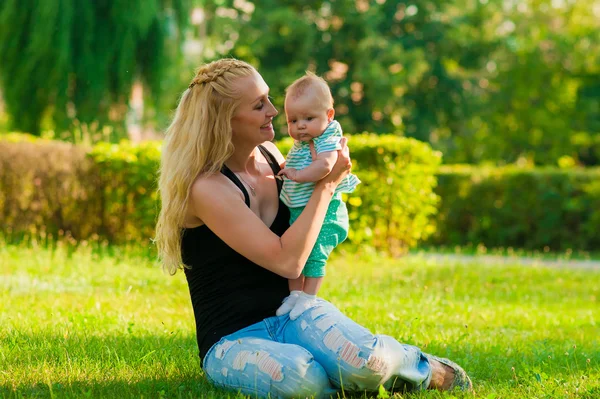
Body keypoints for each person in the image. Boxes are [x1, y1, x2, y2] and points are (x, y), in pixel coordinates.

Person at [155, 58, 472, 399]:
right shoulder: (207, 187)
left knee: (366, 362)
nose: (274, 111)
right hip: (233, 339)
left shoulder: (274, 156)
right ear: (225, 120)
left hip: (294, 314)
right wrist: (327, 184)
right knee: (300, 380)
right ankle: (338, 380)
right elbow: (287, 261)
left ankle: (426, 367)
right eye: (259, 105)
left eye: (270, 99)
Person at [275, 72, 360, 320]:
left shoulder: (328, 137)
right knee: (296, 253)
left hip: (327, 211)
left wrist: (297, 175)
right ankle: (294, 296)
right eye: (293, 120)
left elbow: (325, 167)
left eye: (309, 118)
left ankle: (309, 298)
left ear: (329, 115)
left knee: (314, 254)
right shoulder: (306, 140)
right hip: (301, 208)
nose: (300, 126)